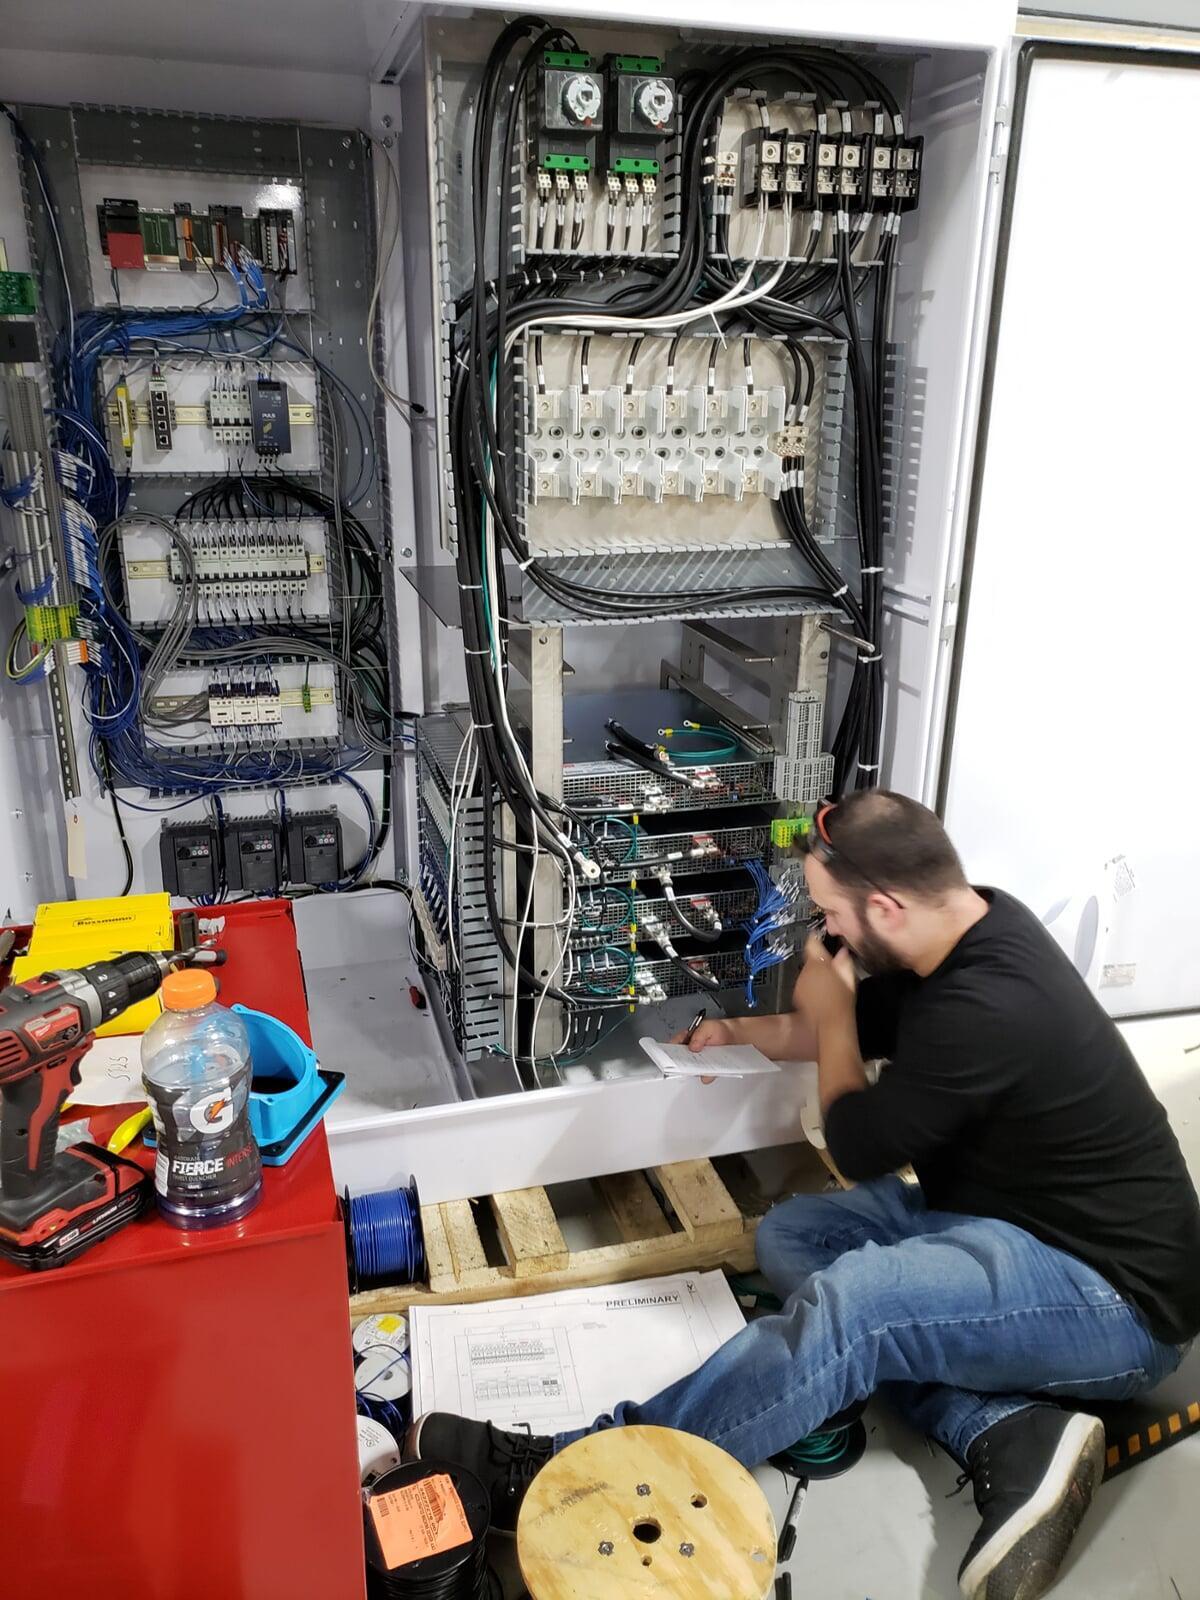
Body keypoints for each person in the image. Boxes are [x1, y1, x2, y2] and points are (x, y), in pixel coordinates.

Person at [408, 792, 1200, 1600]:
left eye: (833, 915)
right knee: (794, 1239)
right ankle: (1007, 1428)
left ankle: (593, 1461)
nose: (829, 937)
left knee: (860, 1308)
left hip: (1113, 1298)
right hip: (999, 1217)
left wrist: (831, 1020)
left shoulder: (990, 1005)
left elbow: (857, 1144)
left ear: (886, 905)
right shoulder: (961, 929)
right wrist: (740, 1033)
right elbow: (846, 1024)